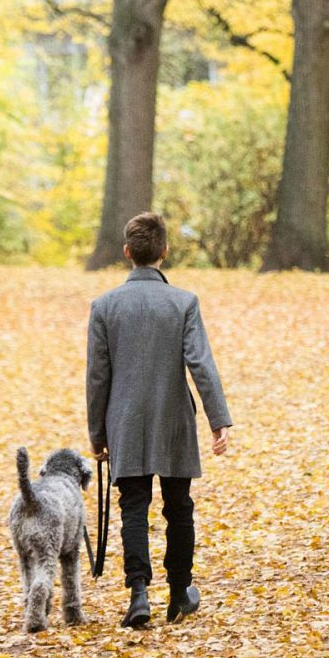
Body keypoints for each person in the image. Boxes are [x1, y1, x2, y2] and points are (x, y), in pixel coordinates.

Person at [87, 212, 232, 628]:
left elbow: (98, 377)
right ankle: (180, 592)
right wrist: (217, 419)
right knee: (179, 506)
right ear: (165, 252)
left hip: (125, 420)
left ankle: (138, 594)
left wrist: (97, 434)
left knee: (133, 506)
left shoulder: (105, 306)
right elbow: (200, 363)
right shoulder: (183, 302)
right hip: (173, 418)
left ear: (127, 252)